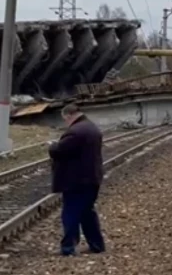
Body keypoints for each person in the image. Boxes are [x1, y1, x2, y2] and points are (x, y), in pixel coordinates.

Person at [49, 104, 105, 256]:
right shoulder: (92, 127)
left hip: (77, 180)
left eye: (65, 119)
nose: (65, 122)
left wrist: (52, 147)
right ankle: (97, 245)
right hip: (92, 178)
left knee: (71, 213)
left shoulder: (75, 132)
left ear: (69, 115)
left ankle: (68, 248)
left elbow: (60, 151)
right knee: (87, 213)